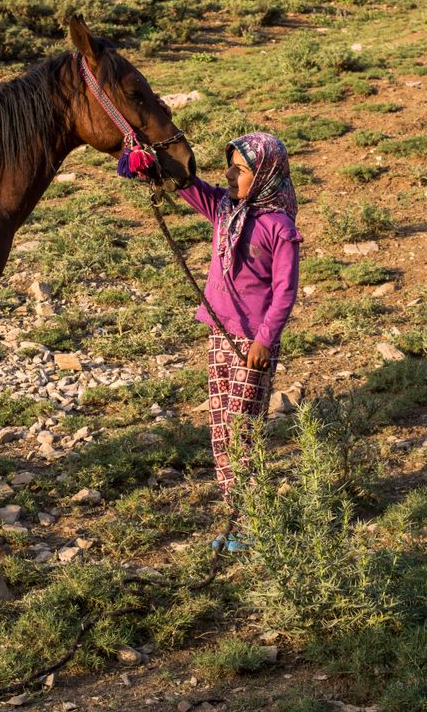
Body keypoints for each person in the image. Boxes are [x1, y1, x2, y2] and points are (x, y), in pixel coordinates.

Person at [119, 130, 301, 551]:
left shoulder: (279, 227)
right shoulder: (224, 209)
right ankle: (236, 518)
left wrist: (264, 340)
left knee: (243, 430)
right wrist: (151, 162)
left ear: (264, 175)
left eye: (239, 170)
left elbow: (285, 292)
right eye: (230, 167)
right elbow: (188, 186)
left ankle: (253, 521)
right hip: (219, 335)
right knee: (221, 429)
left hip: (251, 346)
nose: (229, 175)